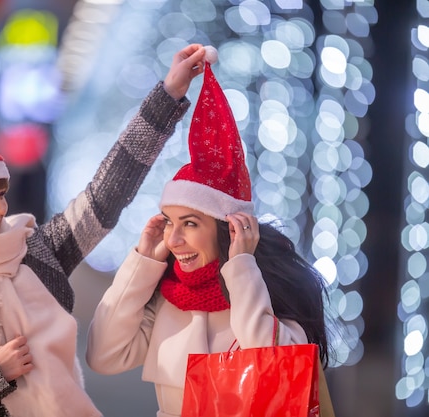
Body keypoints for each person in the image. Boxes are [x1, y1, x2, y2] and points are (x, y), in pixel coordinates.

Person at [0, 44, 208, 417]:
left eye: (1, 194)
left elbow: (108, 190)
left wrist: (168, 95)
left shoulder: (33, 250)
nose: (0, 209)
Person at [85, 61, 330, 417]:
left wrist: (242, 266)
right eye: (169, 223)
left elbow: (274, 362)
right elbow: (103, 355)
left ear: (225, 228)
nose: (174, 239)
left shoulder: (269, 293)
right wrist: (142, 262)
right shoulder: (167, 298)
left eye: (190, 224)